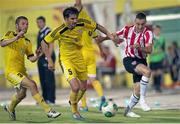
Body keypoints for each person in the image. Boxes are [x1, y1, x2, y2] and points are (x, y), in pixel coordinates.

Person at [41, 7, 115, 120]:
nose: (75, 21)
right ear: (65, 19)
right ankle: (75, 111)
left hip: (79, 58)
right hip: (66, 60)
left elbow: (97, 26)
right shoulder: (59, 30)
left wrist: (109, 35)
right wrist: (50, 60)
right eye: (72, 19)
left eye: (76, 18)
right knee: (75, 87)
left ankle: (73, 101)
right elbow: (44, 42)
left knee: (83, 87)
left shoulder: (81, 23)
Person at [0, 16, 61, 120]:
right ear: (16, 26)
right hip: (11, 72)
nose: (26, 26)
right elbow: (2, 43)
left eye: (27, 24)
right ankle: (49, 111)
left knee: (22, 95)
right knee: (32, 84)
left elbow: (31, 59)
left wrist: (37, 55)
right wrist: (16, 37)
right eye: (23, 23)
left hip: (22, 71)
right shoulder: (10, 34)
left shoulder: (27, 42)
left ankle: (10, 108)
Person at [112, 12, 153, 117]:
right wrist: (109, 39)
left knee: (137, 91)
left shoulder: (148, 33)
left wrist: (139, 47)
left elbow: (149, 50)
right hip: (129, 59)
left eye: (142, 24)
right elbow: (115, 35)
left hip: (141, 61)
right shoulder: (127, 29)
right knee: (147, 71)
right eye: (138, 24)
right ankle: (143, 101)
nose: (140, 26)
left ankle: (128, 110)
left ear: (145, 23)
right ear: (135, 21)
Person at [74, 0, 106, 112]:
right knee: (93, 79)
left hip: (80, 55)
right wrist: (102, 51)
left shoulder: (76, 23)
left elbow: (78, 6)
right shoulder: (89, 24)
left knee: (81, 81)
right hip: (91, 55)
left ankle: (84, 105)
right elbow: (97, 39)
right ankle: (102, 98)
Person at [36, 16, 56, 104]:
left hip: (47, 58)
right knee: (42, 79)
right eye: (37, 22)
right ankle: (44, 98)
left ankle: (51, 99)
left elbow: (51, 45)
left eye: (40, 22)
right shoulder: (39, 32)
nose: (38, 24)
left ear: (44, 22)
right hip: (40, 58)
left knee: (49, 79)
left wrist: (49, 58)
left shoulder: (48, 31)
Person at [149, 25, 166, 93]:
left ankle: (158, 87)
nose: (157, 31)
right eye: (155, 30)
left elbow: (163, 49)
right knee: (154, 73)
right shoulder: (151, 38)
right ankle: (155, 86)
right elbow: (149, 49)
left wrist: (164, 58)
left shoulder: (162, 38)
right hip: (152, 59)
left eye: (158, 30)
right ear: (153, 31)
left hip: (160, 58)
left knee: (159, 72)